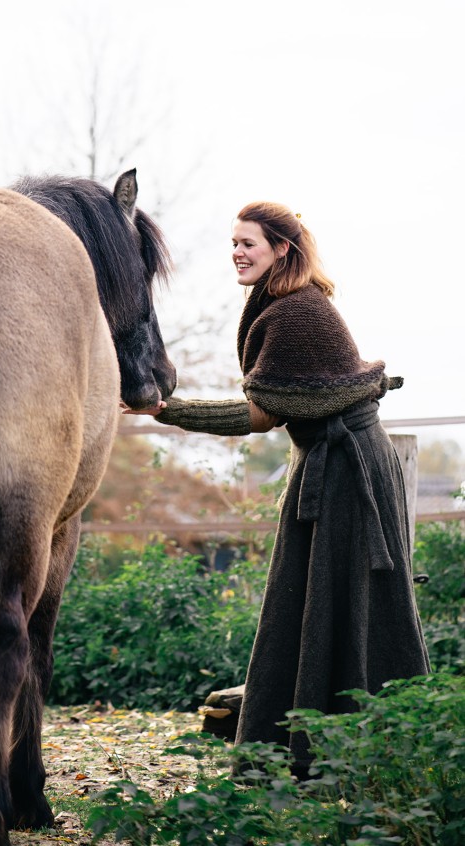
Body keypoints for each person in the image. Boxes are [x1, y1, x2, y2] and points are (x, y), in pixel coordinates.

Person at [122, 201, 430, 777]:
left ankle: (355, 754)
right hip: (326, 462)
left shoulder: (296, 312)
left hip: (349, 471)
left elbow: (260, 415)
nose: (237, 254)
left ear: (281, 248)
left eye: (248, 243)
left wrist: (170, 410)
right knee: (306, 601)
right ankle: (306, 748)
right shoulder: (278, 304)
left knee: (348, 605)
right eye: (233, 244)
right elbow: (281, 408)